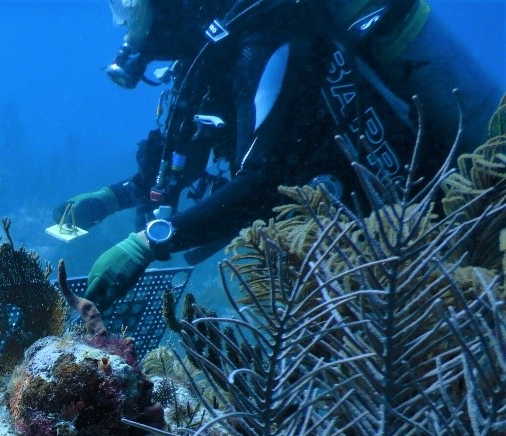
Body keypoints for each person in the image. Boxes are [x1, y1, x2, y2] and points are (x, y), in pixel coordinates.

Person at [57, 0, 501, 311]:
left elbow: (259, 184)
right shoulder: (213, 54)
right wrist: (110, 199)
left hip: (430, 215)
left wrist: (148, 244)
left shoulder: (266, 34)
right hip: (372, 239)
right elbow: (182, 162)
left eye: (128, 6)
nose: (124, 24)